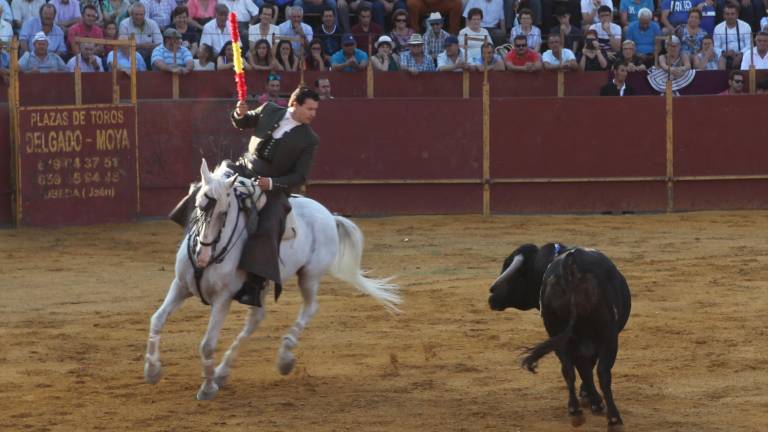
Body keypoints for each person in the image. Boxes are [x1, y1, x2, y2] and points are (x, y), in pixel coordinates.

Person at [170, 87, 322, 308]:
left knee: (270, 226)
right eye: (309, 108)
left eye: (315, 109)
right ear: (295, 104)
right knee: (205, 191)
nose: (313, 114)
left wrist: (272, 183)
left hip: (271, 188)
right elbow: (243, 122)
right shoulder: (269, 110)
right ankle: (191, 237)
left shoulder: (309, 139)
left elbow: (300, 176)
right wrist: (239, 114)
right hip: (242, 170)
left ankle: (254, 284)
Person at [713, 2, 751, 70]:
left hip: (742, 55)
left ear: (737, 15)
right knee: (721, 60)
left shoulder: (746, 26)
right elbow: (716, 47)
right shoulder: (718, 28)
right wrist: (724, 53)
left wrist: (740, 55)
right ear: (724, 15)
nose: (730, 16)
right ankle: (722, 79)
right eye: (727, 14)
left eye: (732, 14)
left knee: (748, 57)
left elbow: (749, 45)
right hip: (725, 56)